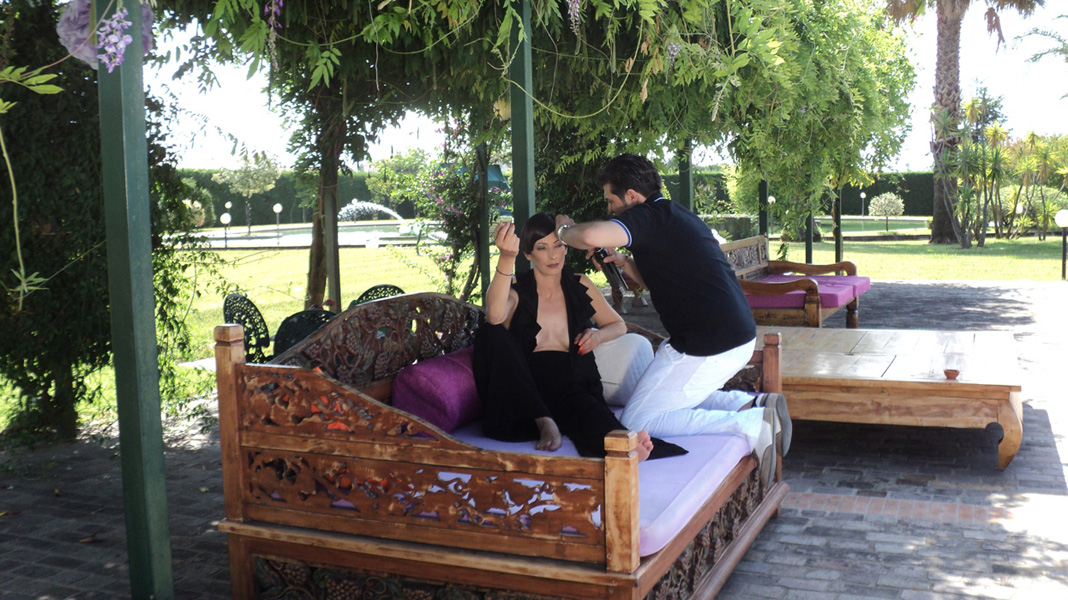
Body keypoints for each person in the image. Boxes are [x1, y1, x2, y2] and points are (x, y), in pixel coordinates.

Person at [553, 154, 791, 485]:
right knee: (673, 393)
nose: (610, 209)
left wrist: (563, 229)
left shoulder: (648, 217)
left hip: (707, 345)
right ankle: (750, 403)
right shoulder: (672, 214)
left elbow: (590, 235)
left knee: (636, 422)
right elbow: (661, 281)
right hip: (734, 336)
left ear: (631, 196)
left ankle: (751, 424)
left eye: (611, 200)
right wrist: (623, 263)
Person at [472, 212, 685, 461]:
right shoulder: (516, 288)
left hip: (569, 377)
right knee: (490, 331)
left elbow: (618, 325)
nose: (553, 255)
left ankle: (624, 446)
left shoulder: (579, 283)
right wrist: (507, 257)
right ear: (528, 254)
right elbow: (494, 315)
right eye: (542, 248)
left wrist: (597, 336)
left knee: (590, 411)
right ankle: (543, 419)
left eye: (558, 245)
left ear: (566, 247)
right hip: (525, 383)